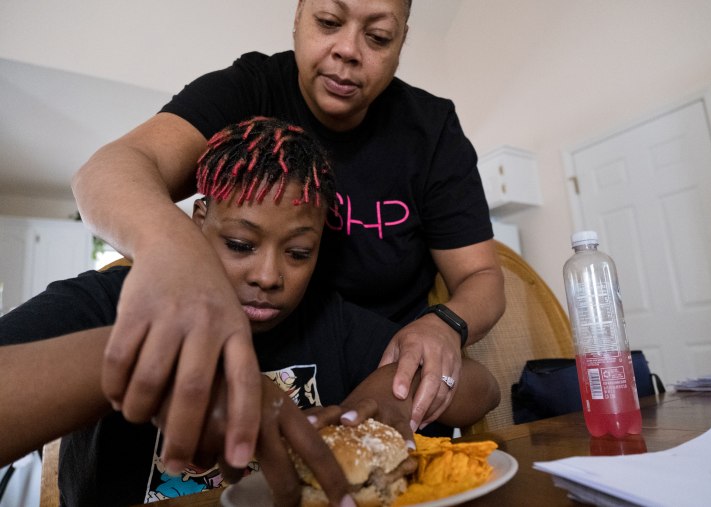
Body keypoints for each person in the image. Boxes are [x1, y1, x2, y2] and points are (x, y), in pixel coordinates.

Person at [71, 0, 505, 476]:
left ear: (401, 43)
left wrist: (444, 324)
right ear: (298, 16)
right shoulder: (247, 89)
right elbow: (111, 170)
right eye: (328, 22)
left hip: (383, 382)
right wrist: (178, 260)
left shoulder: (430, 130)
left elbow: (482, 277)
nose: (348, 50)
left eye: (378, 37)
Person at [0, 117, 499, 506]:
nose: (267, 275)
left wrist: (393, 387)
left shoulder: (331, 322)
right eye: (240, 243)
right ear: (198, 223)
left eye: (299, 253)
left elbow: (483, 388)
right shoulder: (105, 301)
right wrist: (152, 361)